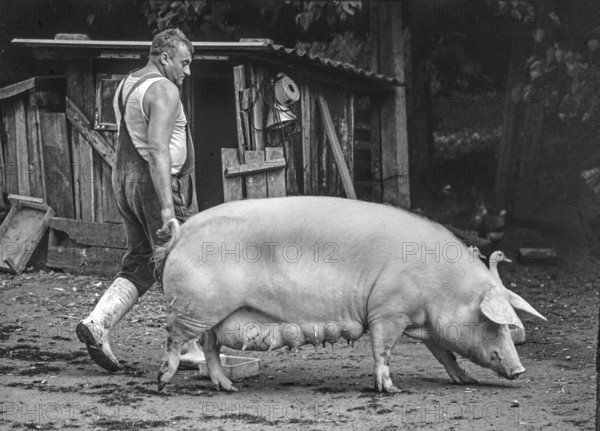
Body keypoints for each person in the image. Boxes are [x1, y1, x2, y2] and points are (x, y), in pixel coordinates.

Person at [76, 28, 203, 372]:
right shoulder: (165, 89)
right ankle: (189, 346)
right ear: (165, 58)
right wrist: (166, 207)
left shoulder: (129, 82)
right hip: (155, 185)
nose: (187, 71)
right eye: (184, 63)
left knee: (141, 260)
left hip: (125, 180)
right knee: (184, 261)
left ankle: (98, 323)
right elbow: (159, 149)